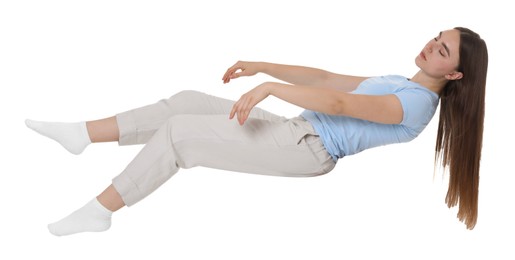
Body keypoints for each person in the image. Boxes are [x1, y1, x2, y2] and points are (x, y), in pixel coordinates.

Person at [25, 27, 488, 236]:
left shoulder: (416, 104)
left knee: (179, 133)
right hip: (297, 127)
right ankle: (83, 134)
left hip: (309, 149)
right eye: (436, 37)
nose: (431, 46)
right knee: (188, 101)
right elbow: (328, 80)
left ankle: (99, 210)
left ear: (455, 76)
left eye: (443, 50)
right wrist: (263, 65)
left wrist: (271, 88)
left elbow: (342, 105)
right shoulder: (402, 81)